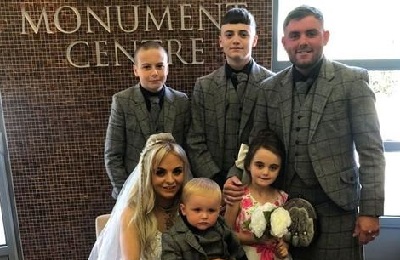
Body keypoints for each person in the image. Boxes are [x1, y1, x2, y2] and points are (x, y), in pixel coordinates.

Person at [224, 5, 385, 260]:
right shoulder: (269, 89)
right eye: (295, 35)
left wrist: (370, 210)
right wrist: (236, 177)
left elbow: (371, 151)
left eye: (311, 33)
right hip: (281, 208)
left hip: (337, 210)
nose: (303, 42)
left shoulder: (352, 82)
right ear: (285, 42)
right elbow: (254, 143)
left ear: (325, 36)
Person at [186, 7, 275, 188]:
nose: (236, 40)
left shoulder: (272, 83)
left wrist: (241, 175)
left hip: (257, 183)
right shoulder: (204, 86)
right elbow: (195, 140)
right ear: (221, 41)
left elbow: (270, 138)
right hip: (212, 185)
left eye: (243, 34)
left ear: (255, 40)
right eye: (229, 35)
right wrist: (216, 179)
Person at [105, 41, 190, 199]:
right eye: (146, 67)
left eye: (159, 66)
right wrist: (127, 193)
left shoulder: (181, 101)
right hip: (134, 191)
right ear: (136, 70)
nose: (154, 73)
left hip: (174, 190)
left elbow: (187, 149)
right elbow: (113, 155)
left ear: (167, 67)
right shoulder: (122, 101)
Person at [89, 133, 191, 260]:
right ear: (147, 175)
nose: (170, 180)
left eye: (177, 171)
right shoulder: (132, 214)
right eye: (160, 172)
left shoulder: (190, 206)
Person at [224, 129, 290, 260]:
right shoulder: (238, 195)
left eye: (273, 167)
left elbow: (285, 236)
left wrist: (284, 247)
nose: (265, 172)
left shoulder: (282, 198)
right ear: (248, 165)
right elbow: (227, 234)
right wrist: (255, 239)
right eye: (259, 165)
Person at [162, 177, 248, 260]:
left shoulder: (223, 228)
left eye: (211, 210)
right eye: (197, 210)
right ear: (183, 209)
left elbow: (239, 254)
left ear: (219, 210)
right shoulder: (172, 238)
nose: (204, 216)